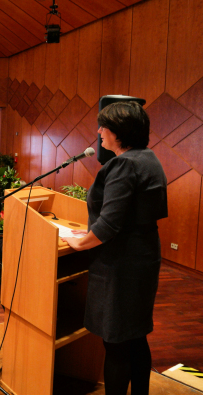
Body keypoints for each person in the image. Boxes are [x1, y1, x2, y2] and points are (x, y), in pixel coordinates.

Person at [61, 102, 167, 395]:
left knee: (116, 341)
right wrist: (92, 230)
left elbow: (110, 224)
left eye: (103, 127)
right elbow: (135, 214)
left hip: (120, 265)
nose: (99, 132)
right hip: (144, 256)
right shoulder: (149, 158)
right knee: (136, 335)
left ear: (118, 132)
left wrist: (80, 241)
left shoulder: (124, 164)